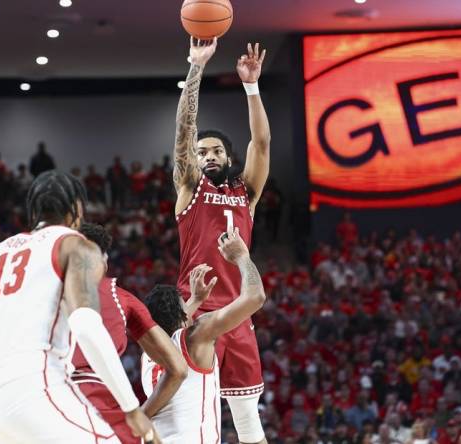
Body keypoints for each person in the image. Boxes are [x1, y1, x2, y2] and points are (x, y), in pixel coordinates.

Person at [0, 170, 157, 443]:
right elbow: (85, 326)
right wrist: (132, 409)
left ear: (33, 210)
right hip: (33, 390)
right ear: (77, 209)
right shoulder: (75, 245)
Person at [172, 36, 271, 444]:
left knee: (249, 422)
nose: (207, 155)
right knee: (199, 418)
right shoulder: (189, 186)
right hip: (196, 314)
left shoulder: (245, 191)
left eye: (214, 151)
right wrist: (197, 66)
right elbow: (184, 129)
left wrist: (251, 87)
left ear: (227, 158)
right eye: (201, 152)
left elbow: (261, 143)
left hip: (239, 312)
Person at [141, 229, 267, 443]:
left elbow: (169, 326)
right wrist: (242, 257)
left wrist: (195, 300)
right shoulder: (195, 338)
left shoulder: (147, 352)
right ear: (183, 319)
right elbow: (256, 297)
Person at [71, 223, 188, 443]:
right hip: (98, 402)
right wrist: (141, 415)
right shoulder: (122, 298)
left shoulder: (41, 291)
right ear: (103, 259)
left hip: (40, 396)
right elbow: (179, 368)